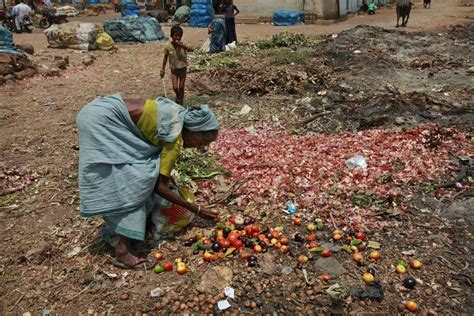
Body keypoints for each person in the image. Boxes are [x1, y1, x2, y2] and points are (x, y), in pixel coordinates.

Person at [76, 94, 220, 269]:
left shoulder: (177, 114)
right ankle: (122, 252)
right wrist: (196, 209)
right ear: (194, 132)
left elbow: (161, 172)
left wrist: (167, 180)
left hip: (99, 109)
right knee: (136, 184)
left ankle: (119, 232)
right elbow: (159, 187)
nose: (199, 148)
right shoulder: (174, 137)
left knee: (139, 174)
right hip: (102, 121)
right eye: (201, 143)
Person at [160, 25, 193, 105]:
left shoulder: (183, 45)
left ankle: (181, 103)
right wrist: (163, 69)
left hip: (183, 69)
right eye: (176, 36)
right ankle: (178, 96)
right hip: (174, 70)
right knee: (175, 87)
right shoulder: (169, 47)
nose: (178, 38)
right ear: (171, 36)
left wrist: (181, 45)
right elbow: (165, 58)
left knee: (181, 87)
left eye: (180, 36)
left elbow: (191, 49)